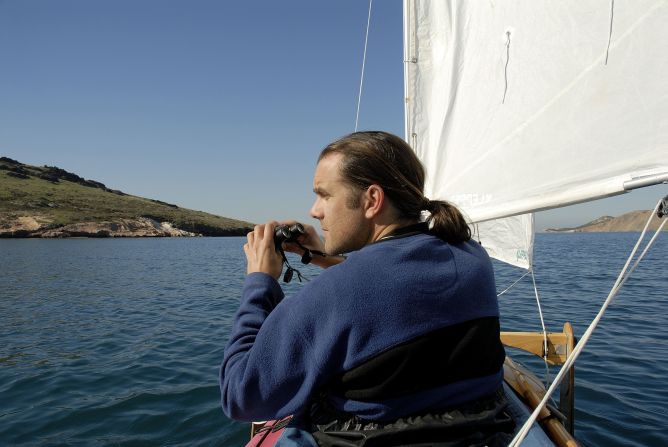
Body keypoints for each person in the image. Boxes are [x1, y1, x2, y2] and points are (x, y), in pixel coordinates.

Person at [220, 131, 514, 446]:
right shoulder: (472, 256)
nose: (314, 211)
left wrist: (259, 281)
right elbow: (393, 288)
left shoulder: (337, 293)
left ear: (372, 200)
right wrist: (325, 259)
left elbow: (241, 397)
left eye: (324, 195)